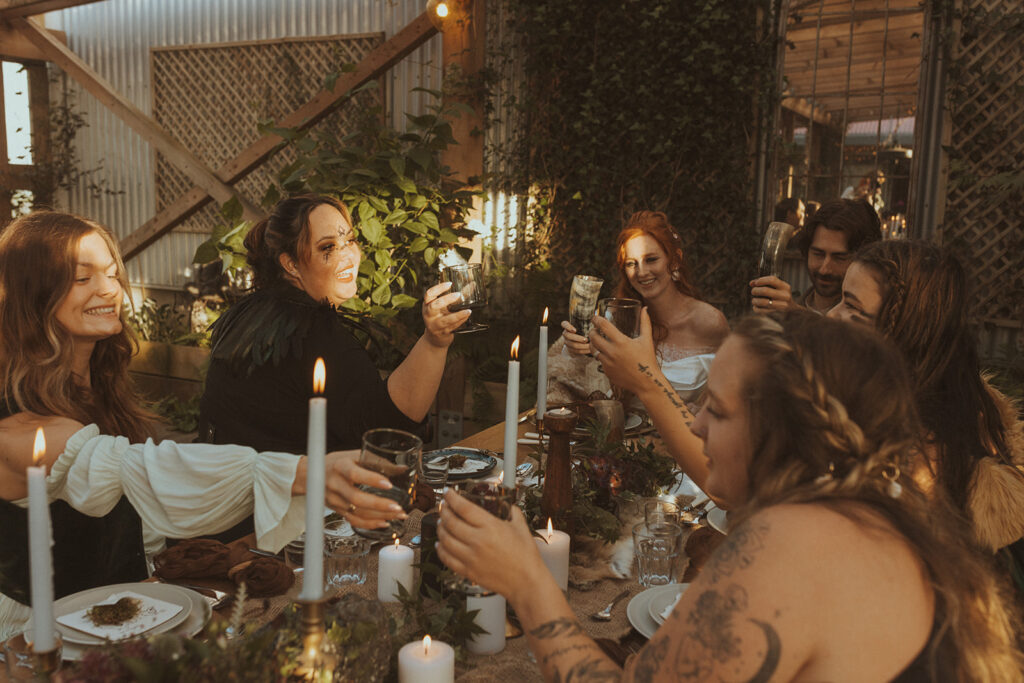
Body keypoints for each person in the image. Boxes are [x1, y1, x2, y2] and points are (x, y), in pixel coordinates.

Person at [438, 312, 1023, 681]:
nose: (693, 428)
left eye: (716, 409)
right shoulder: (882, 515)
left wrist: (526, 581)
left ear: (784, 431)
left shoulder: (795, 543)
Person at [0, 211, 403, 640]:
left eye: (114, 274)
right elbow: (148, 471)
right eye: (83, 279)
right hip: (35, 641)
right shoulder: (24, 425)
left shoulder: (98, 393)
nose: (109, 289)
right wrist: (303, 473)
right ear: (33, 295)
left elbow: (137, 520)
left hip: (123, 618)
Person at [199, 194, 469, 454]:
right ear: (290, 264)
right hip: (285, 497)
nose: (349, 256)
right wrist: (435, 341)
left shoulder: (246, 314)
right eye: (328, 247)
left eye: (350, 241)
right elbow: (387, 431)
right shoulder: (315, 337)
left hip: (226, 487)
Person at [828, 240, 1024, 578]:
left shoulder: (916, 453)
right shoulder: (895, 400)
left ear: (902, 331)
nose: (831, 315)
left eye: (852, 308)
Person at [552, 211, 728, 406]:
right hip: (626, 432)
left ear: (675, 260)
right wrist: (576, 348)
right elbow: (587, 376)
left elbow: (730, 390)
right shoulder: (615, 318)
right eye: (631, 264)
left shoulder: (709, 322)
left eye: (651, 259)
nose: (642, 272)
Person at [749, 197, 881, 314]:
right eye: (818, 254)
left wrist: (798, 316)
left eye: (839, 258)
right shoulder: (790, 308)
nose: (824, 269)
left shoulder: (871, 319)